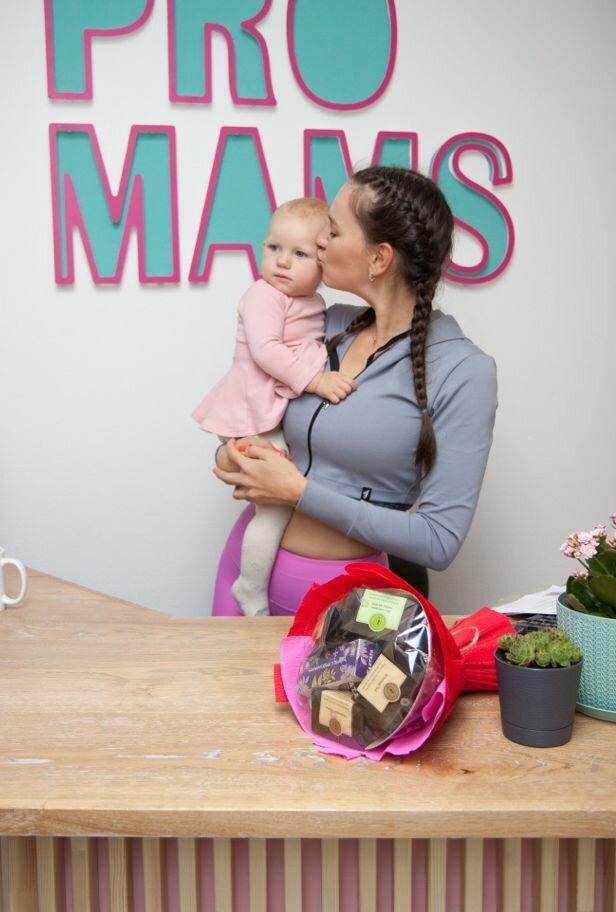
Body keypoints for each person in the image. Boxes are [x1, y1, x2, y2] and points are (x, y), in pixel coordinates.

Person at [211, 166, 498, 616]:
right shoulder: (321, 323)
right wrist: (235, 455)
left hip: (350, 606)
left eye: (333, 230)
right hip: (247, 574)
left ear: (379, 259)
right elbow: (249, 400)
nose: (319, 242)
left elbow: (438, 541)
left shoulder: (463, 370)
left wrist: (299, 492)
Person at [193, 198, 356, 615]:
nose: (282, 262)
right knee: (273, 508)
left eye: (300, 254)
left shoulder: (314, 304)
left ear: (323, 263)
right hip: (251, 411)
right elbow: (266, 351)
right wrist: (317, 381)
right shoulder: (263, 295)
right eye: (274, 248)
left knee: (283, 496)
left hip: (270, 409)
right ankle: (250, 586)